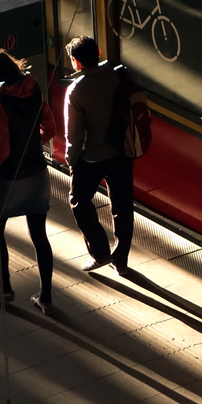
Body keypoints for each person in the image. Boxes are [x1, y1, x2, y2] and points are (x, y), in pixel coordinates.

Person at [0, 49, 56, 315]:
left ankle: (5, 287)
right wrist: (33, 145)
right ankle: (45, 297)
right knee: (39, 236)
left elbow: (2, 150)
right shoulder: (36, 91)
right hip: (37, 174)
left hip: (11, 178)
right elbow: (50, 128)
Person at [64, 35, 134, 276]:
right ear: (99, 52)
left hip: (92, 157)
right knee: (122, 205)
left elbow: (74, 134)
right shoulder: (116, 75)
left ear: (76, 62)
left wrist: (71, 160)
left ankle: (100, 252)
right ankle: (121, 259)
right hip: (121, 152)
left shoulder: (76, 90)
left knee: (78, 201)